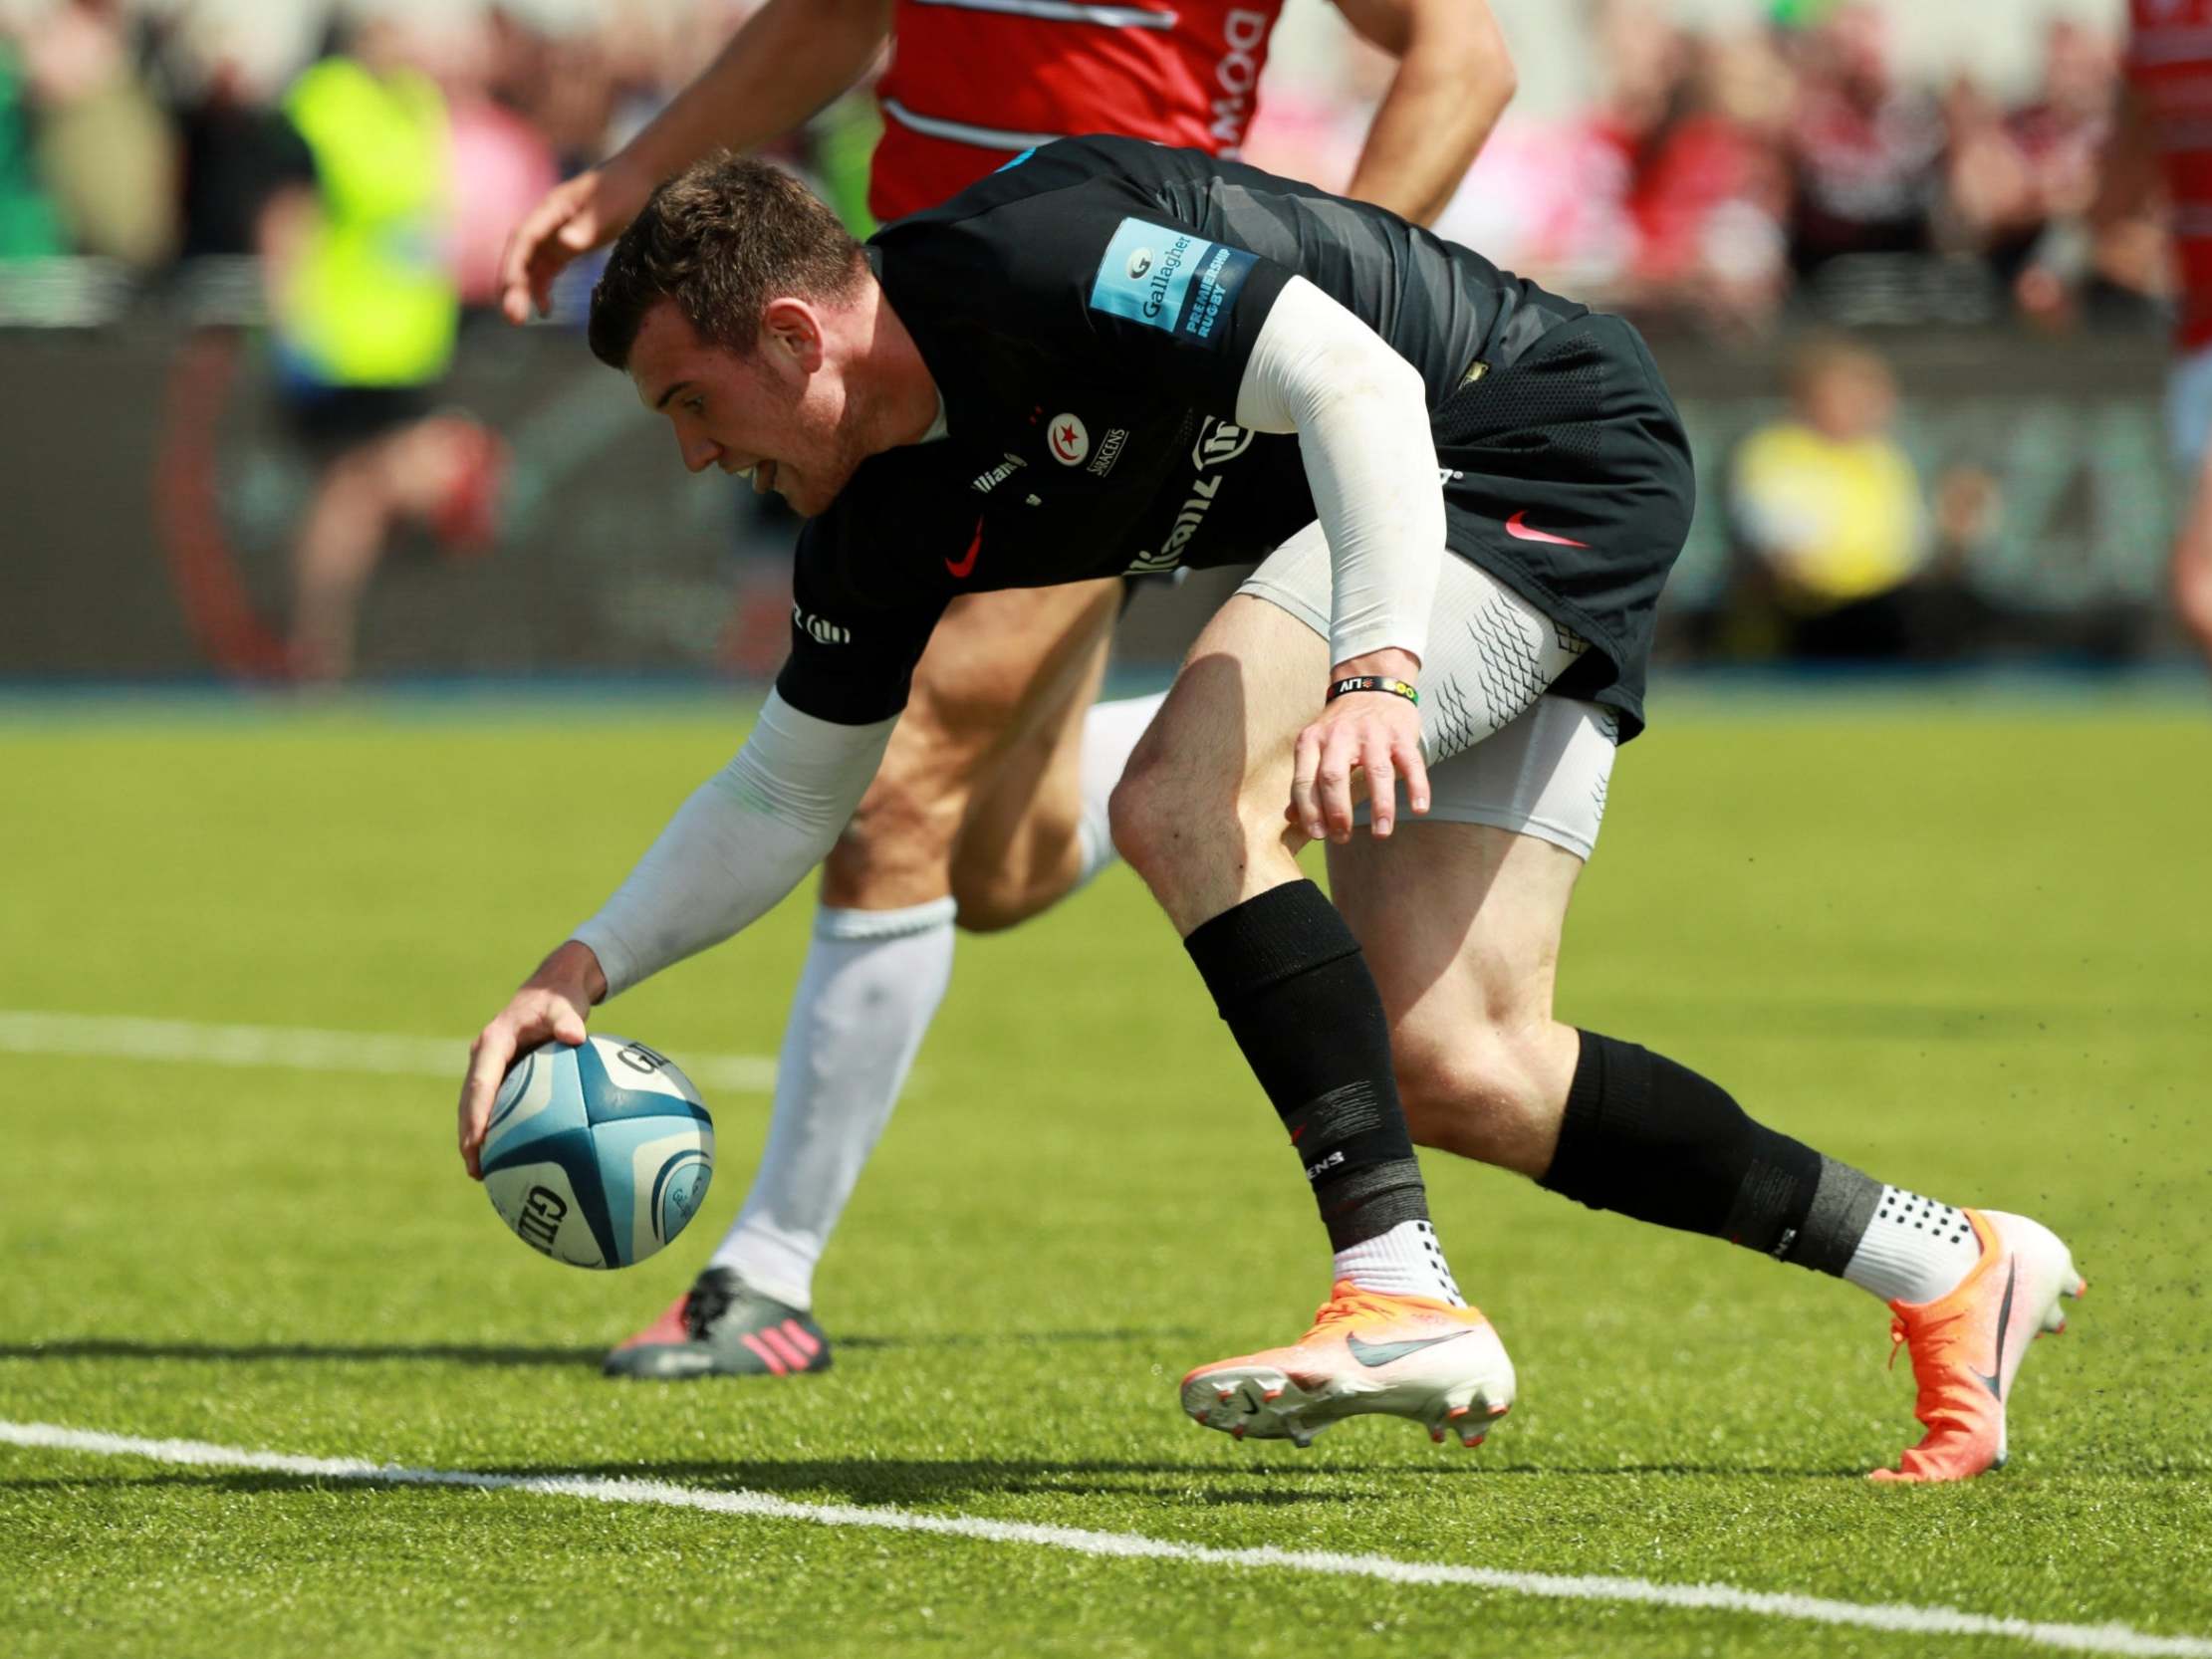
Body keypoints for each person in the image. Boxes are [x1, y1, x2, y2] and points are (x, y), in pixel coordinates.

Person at [458, 139, 2084, 1481]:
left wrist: (1374, 671)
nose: (691, 458)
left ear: (796, 341)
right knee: (1462, 1062)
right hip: (1427, 518)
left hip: (1519, 442)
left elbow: (1355, 380)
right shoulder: (869, 533)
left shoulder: (1045, 258)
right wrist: (578, 970)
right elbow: (781, 791)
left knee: (1180, 793)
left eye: (689, 403)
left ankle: (1393, 1286)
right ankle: (1945, 1263)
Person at [496, 0, 1518, 1381]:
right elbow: (826, 24)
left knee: (890, 791)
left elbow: (1465, 56)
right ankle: (1226, 759)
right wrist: (627, 185)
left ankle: (766, 1277)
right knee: (999, 861)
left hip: (1097, 385)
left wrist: (1300, 310)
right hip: (894, 379)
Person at [2082, 1, 2212, 667]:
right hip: (2197, 338)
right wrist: (2067, 258)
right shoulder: (2154, 18)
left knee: (2198, 588)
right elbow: (2129, 166)